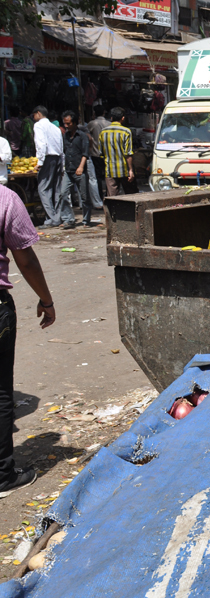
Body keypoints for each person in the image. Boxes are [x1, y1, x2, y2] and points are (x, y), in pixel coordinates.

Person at [0, 183, 55, 497]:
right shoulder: (5, 199)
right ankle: (2, 475)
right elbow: (26, 260)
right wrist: (46, 301)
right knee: (0, 393)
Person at [60, 111, 101, 227]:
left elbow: (85, 153)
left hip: (80, 170)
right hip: (68, 170)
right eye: (65, 124)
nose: (66, 126)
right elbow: (65, 152)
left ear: (75, 122)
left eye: (68, 123)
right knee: (63, 194)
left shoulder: (82, 136)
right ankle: (68, 219)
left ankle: (86, 220)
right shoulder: (66, 136)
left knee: (84, 196)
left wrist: (81, 167)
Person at [32, 106, 65, 229]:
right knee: (55, 188)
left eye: (34, 115)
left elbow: (41, 144)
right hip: (57, 158)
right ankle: (56, 217)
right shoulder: (55, 128)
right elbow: (60, 147)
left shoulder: (39, 125)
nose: (34, 118)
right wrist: (62, 163)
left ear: (39, 114)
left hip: (47, 158)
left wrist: (40, 162)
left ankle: (51, 218)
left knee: (43, 188)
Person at [99, 107, 137, 196]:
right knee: (131, 196)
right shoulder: (126, 132)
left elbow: (101, 153)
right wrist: (131, 170)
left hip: (109, 170)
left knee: (112, 198)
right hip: (124, 170)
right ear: (123, 118)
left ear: (111, 118)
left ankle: (113, 210)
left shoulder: (103, 132)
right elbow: (128, 153)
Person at [86, 105, 111, 201]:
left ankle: (100, 196)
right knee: (108, 175)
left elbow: (88, 136)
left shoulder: (92, 123)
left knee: (97, 177)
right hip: (107, 154)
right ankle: (108, 195)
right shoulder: (109, 124)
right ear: (104, 112)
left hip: (95, 153)